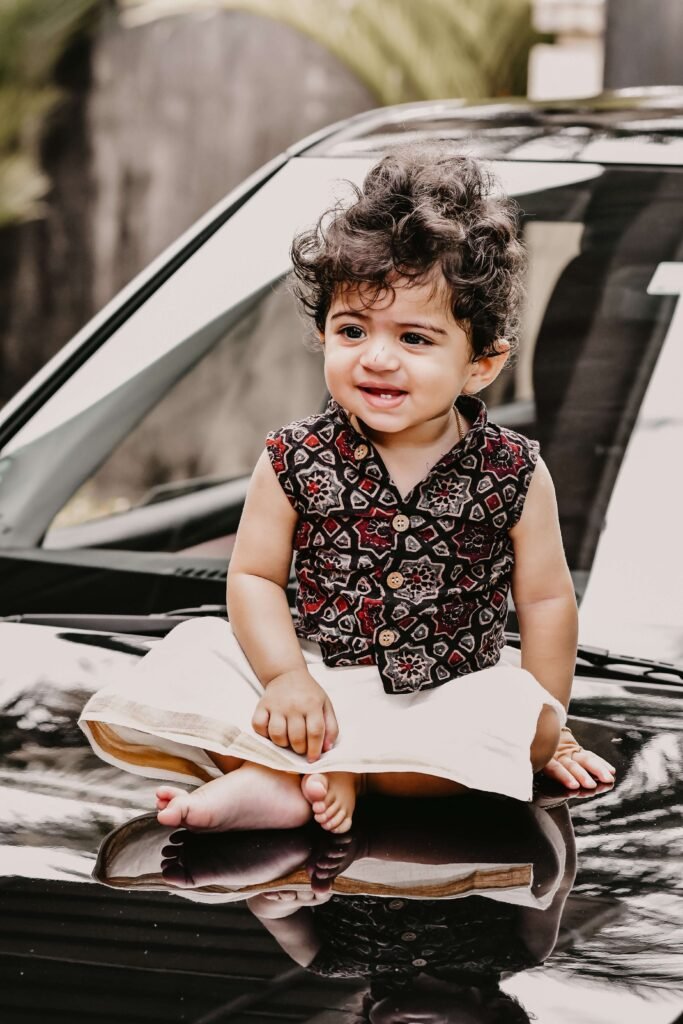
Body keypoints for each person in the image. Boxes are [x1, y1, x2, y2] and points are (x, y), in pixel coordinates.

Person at [80, 143, 615, 834]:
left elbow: (543, 600)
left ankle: (305, 775)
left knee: (509, 722)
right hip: (316, 689)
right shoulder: (293, 456)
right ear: (322, 334)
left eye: (415, 338)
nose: (377, 357)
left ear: (480, 365)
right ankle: (298, 768)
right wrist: (284, 679)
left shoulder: (512, 470)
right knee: (193, 651)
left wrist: (548, 726)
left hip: (443, 703)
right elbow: (252, 578)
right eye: (352, 329)